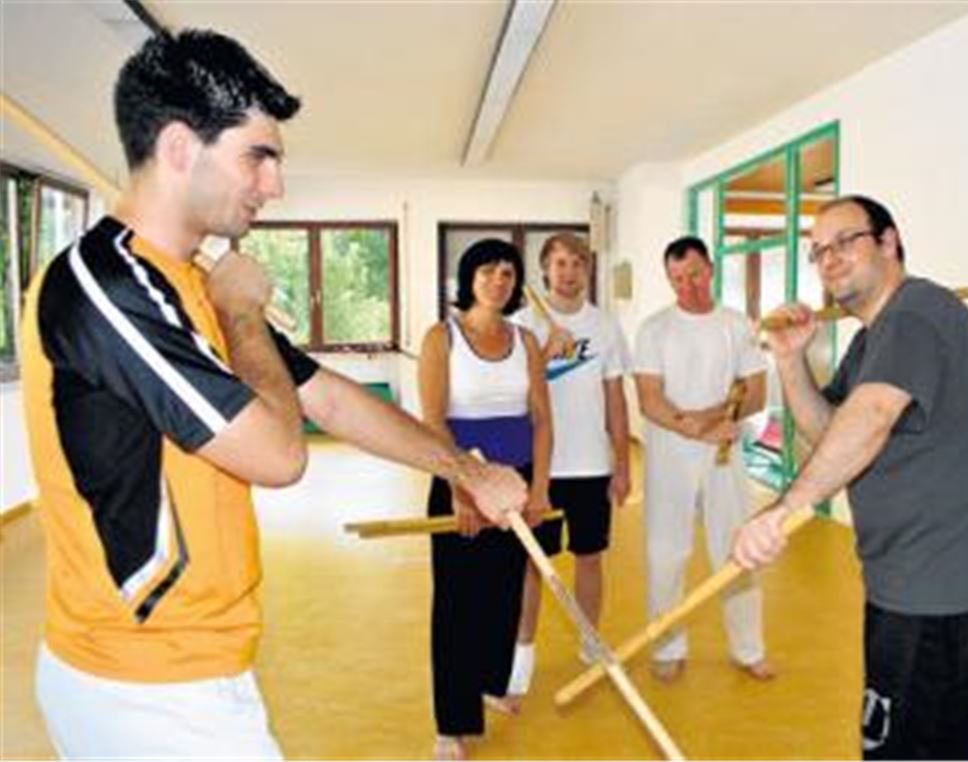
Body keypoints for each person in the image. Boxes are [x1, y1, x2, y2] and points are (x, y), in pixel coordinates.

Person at [20, 30, 527, 760]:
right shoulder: (102, 287)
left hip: (201, 667)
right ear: (178, 147)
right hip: (140, 685)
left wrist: (465, 470)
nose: (274, 185)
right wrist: (243, 315)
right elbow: (281, 453)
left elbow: (330, 400)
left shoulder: (191, 284)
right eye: (258, 156)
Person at [732, 195, 968, 759]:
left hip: (947, 591)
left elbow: (869, 419)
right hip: (905, 581)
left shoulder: (918, 313)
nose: (830, 259)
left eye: (846, 241)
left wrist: (781, 510)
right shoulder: (875, 337)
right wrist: (791, 360)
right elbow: (830, 432)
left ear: (889, 241)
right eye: (819, 251)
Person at [418, 238, 552, 760]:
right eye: (489, 272)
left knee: (502, 593)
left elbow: (541, 419)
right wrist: (462, 491)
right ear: (468, 278)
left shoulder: (526, 340)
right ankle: (451, 722)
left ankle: (488, 686)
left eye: (508, 274)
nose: (499, 281)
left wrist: (539, 487)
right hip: (462, 483)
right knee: (456, 602)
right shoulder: (441, 338)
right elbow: (432, 424)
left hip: (516, 484)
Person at [633, 235, 773, 683]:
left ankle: (748, 649)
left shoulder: (737, 326)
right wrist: (692, 426)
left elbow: (755, 394)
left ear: (710, 269)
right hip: (669, 456)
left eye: (693, 274)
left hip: (723, 455)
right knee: (665, 552)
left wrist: (712, 421)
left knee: (736, 551)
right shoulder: (654, 329)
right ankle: (667, 645)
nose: (686, 285)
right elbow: (650, 400)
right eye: (676, 278)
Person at [507, 232, 632, 695]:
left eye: (577, 263)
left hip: (590, 464)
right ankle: (521, 655)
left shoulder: (605, 326)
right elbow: (510, 393)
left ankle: (590, 640)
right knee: (533, 564)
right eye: (559, 263)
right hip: (538, 466)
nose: (569, 272)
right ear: (544, 270)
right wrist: (542, 355)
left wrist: (621, 464)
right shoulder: (522, 324)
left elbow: (615, 399)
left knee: (589, 557)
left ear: (588, 269)